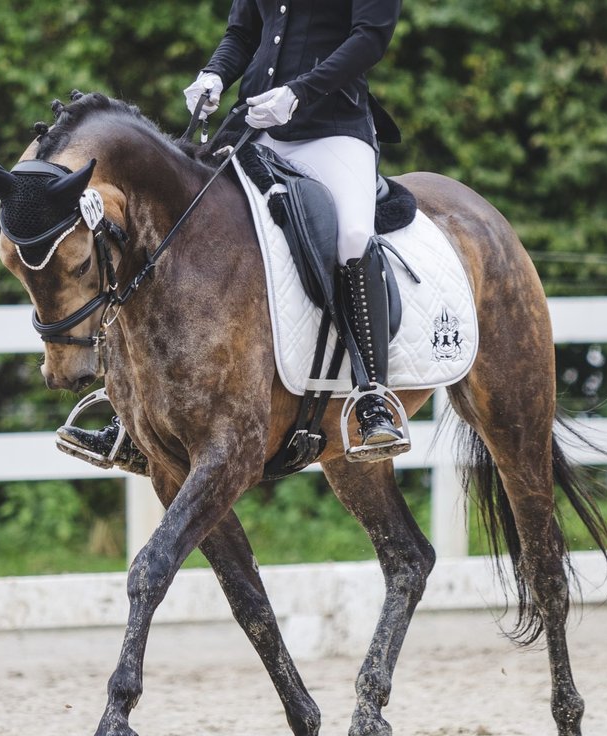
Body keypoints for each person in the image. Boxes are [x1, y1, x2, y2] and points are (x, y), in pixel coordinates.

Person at [60, 0, 406, 470]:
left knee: (352, 236)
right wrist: (215, 74)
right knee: (172, 227)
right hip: (257, 123)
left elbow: (370, 37)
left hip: (332, 127)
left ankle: (372, 398)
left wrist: (300, 93)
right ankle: (132, 420)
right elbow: (243, 33)